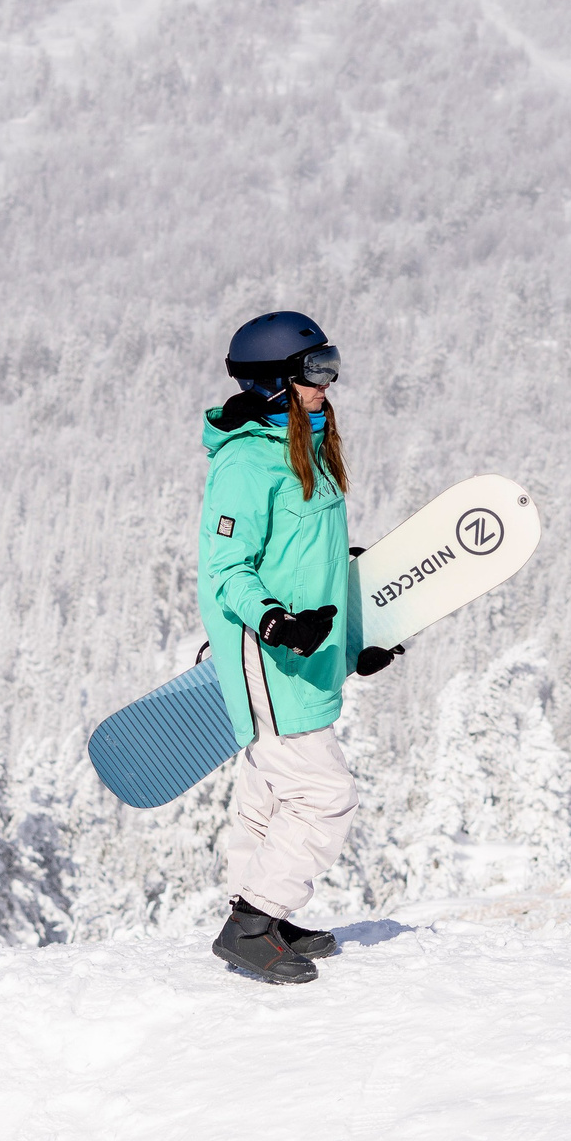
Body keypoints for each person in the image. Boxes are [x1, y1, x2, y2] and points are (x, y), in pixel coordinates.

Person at [196, 310, 402, 985]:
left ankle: (261, 916)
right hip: (269, 650)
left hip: (308, 653)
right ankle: (253, 923)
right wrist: (277, 621)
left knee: (270, 782)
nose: (329, 380)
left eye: (332, 362)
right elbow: (228, 570)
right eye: (315, 369)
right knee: (324, 793)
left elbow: (309, 559)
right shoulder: (245, 463)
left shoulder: (306, 445)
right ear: (275, 383)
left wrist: (351, 643)